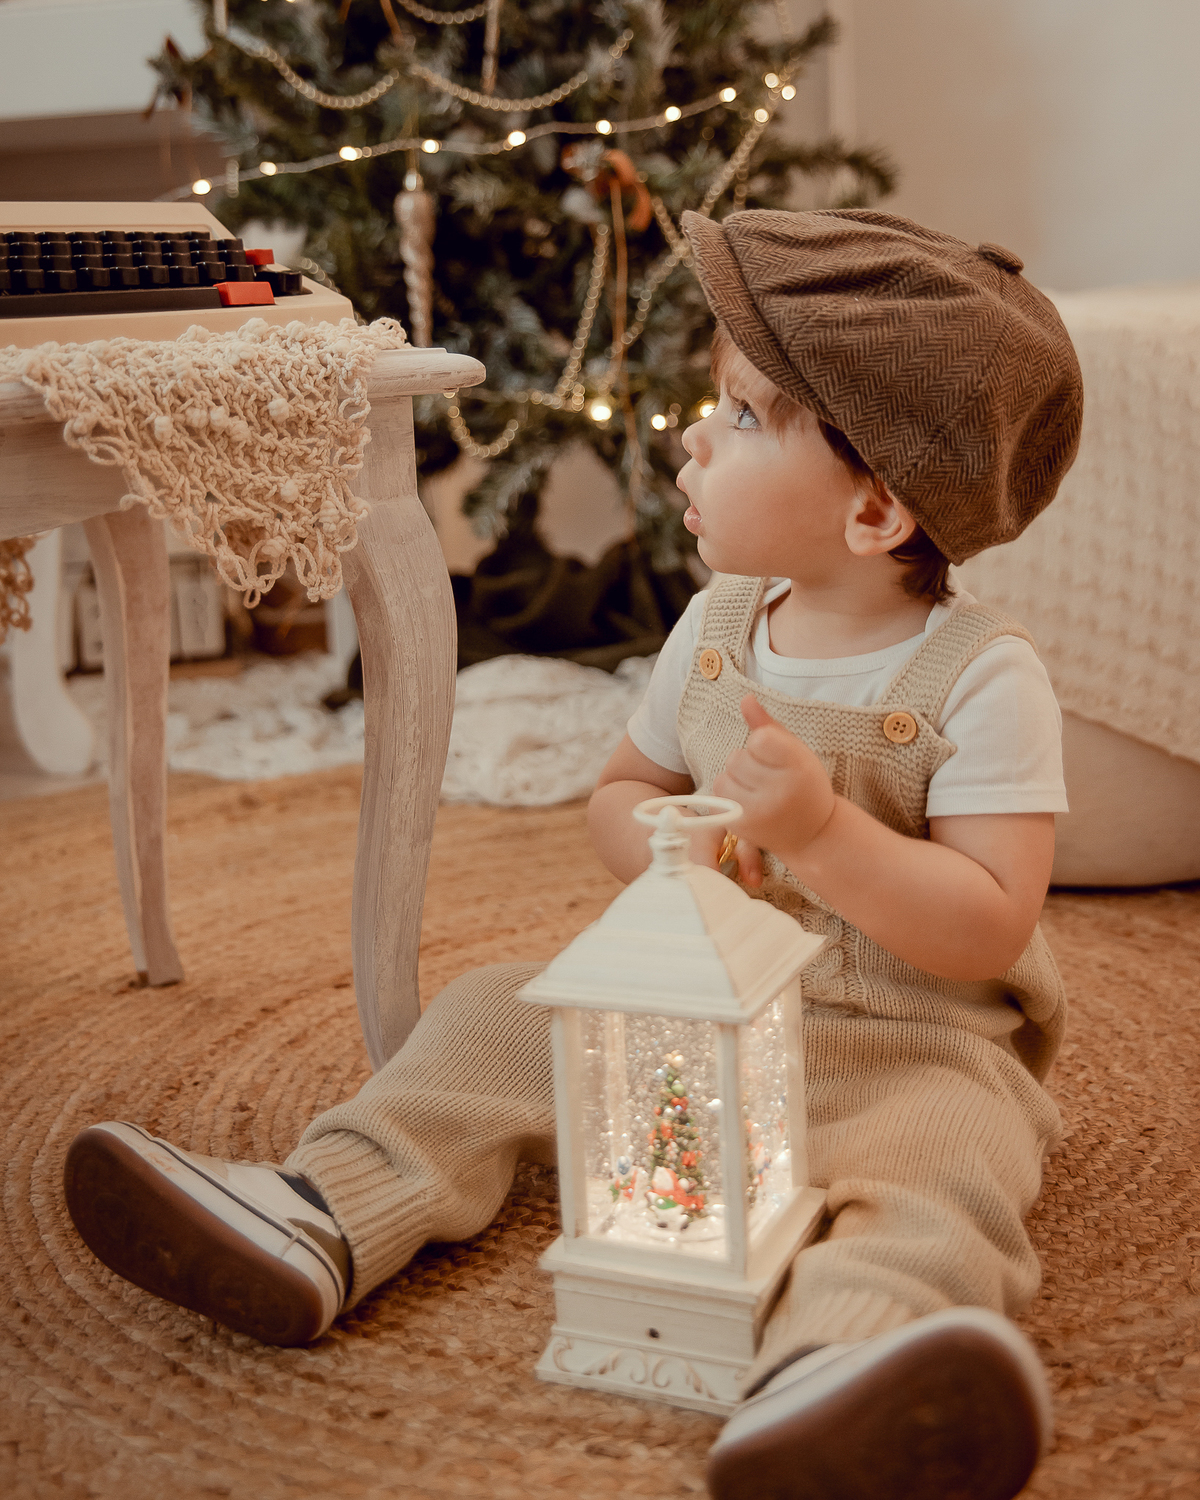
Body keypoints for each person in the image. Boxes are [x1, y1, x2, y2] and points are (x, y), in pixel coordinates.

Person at [62, 208, 1083, 1500]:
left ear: (878, 508)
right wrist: (674, 848)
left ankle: (850, 1358)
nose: (694, 440)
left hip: (911, 1047)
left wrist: (822, 833)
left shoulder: (983, 679)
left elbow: (992, 921)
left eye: (747, 419)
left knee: (951, 1161)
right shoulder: (714, 631)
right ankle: (326, 1206)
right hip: (696, 1030)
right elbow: (623, 790)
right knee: (495, 1016)